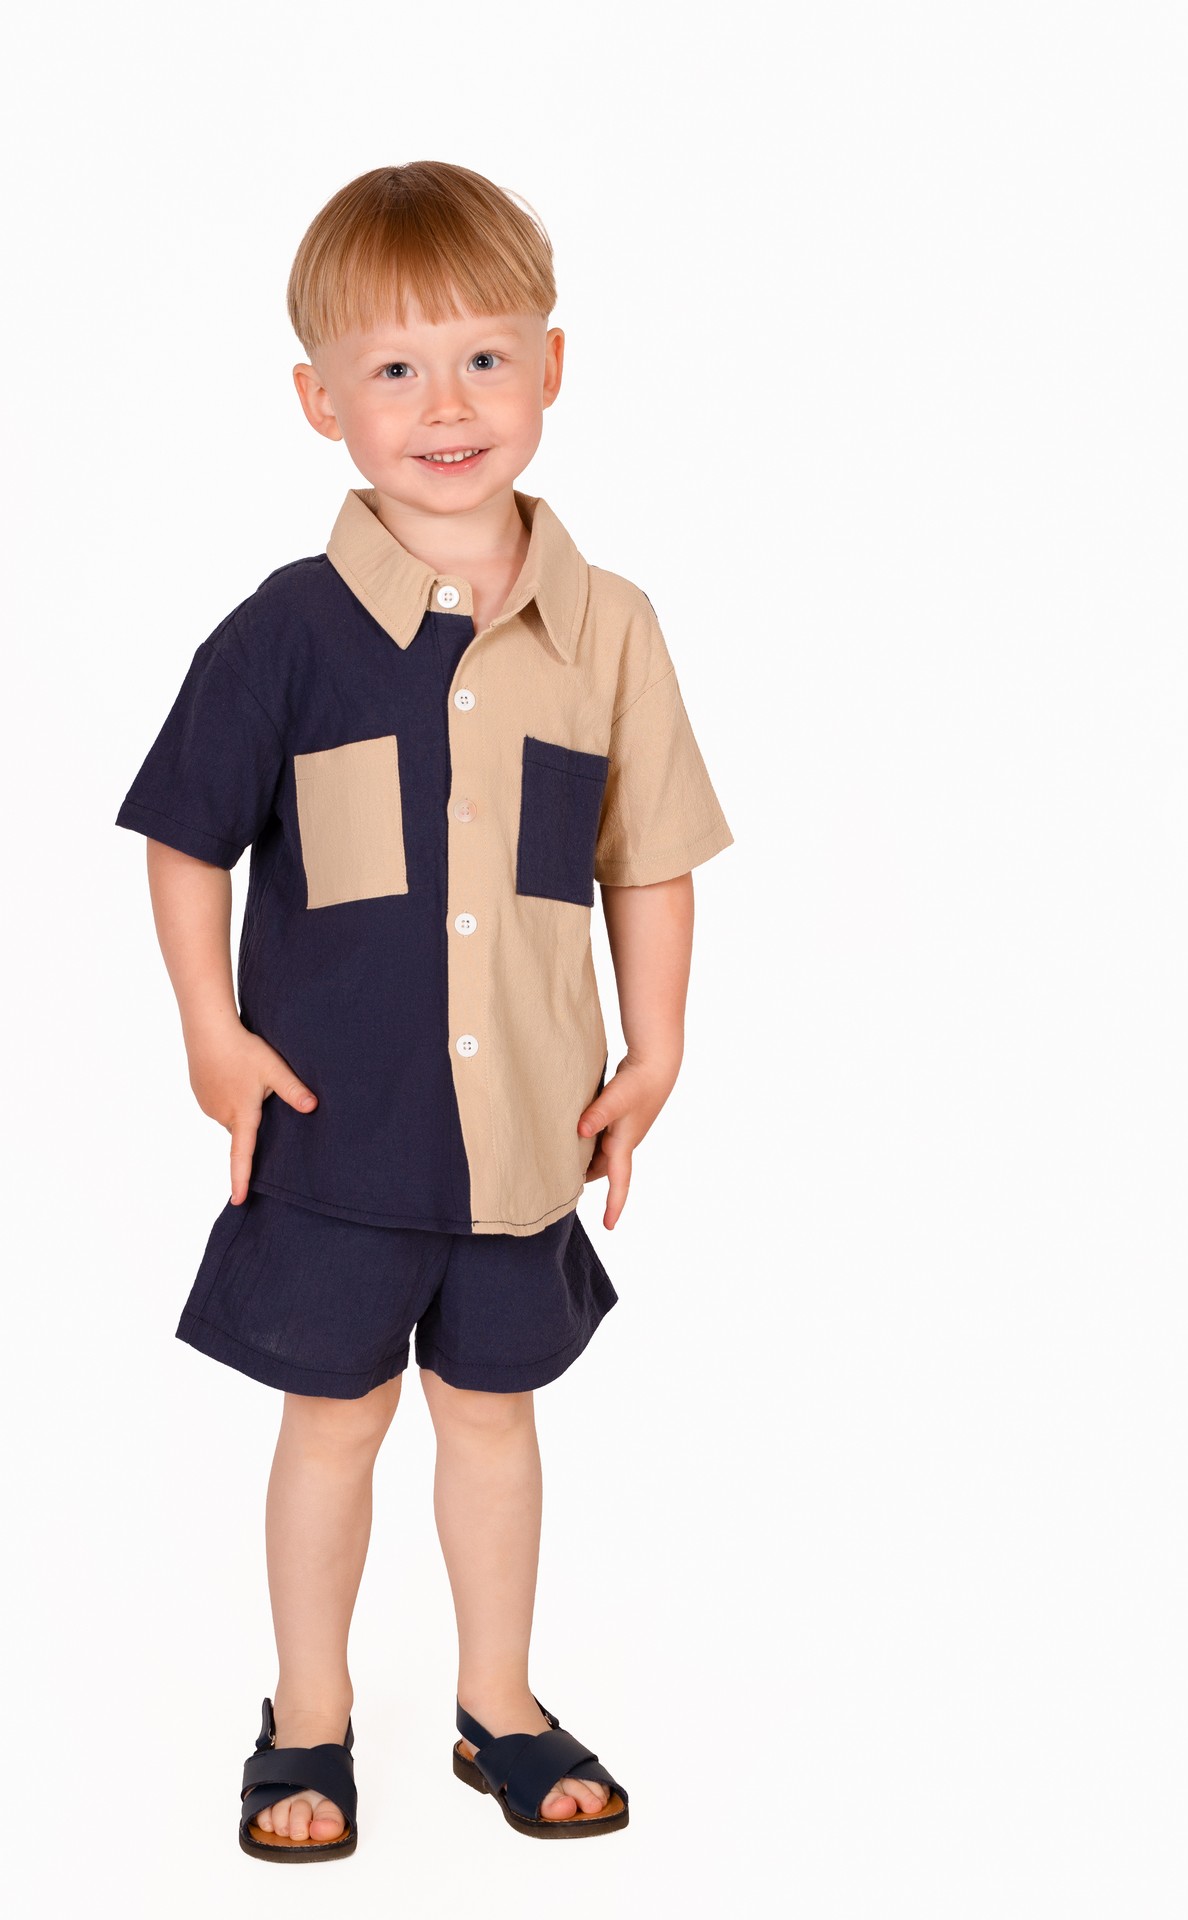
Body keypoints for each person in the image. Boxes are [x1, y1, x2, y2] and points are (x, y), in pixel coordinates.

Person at [115, 159, 733, 1859]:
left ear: (552, 366)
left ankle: (498, 1706)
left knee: (494, 1421)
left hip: (525, 1130)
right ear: (319, 400)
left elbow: (650, 858)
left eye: (481, 359)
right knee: (333, 1426)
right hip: (334, 1130)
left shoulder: (610, 630)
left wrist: (658, 1049)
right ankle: (308, 1714)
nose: (444, 406)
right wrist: (210, 1030)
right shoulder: (286, 633)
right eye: (393, 368)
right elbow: (186, 837)